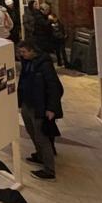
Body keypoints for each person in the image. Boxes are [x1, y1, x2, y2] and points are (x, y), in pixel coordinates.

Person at [17, 40, 64, 181]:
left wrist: (51, 108)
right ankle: (40, 155)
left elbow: (55, 87)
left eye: (24, 52)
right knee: (32, 131)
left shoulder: (44, 65)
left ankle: (49, 170)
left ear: (32, 51)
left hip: (40, 106)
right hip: (27, 103)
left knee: (42, 135)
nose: (21, 55)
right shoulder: (27, 63)